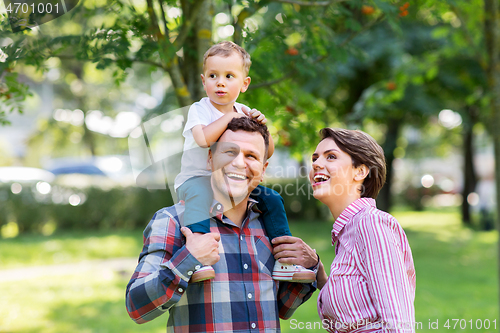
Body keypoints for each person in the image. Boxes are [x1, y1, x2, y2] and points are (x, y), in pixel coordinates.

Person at [126, 117, 319, 332]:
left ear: (263, 170)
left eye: (251, 156)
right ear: (210, 159)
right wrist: (188, 261)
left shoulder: (269, 224)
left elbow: (283, 308)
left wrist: (309, 264)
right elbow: (136, 308)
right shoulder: (173, 221)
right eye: (229, 152)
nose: (238, 163)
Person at [174, 41, 314, 283]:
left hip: (233, 182)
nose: (220, 82)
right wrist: (230, 116)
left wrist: (263, 126)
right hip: (195, 180)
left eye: (229, 76)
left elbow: (266, 151)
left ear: (244, 83)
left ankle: (284, 260)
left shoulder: (244, 110)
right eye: (213, 75)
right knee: (198, 195)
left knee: (272, 198)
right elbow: (202, 138)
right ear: (203, 80)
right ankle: (198, 257)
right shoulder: (201, 109)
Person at [310, 128, 416, 333]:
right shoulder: (348, 232)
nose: (316, 164)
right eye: (315, 158)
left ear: (360, 171)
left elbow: (398, 325)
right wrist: (321, 276)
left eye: (331, 156)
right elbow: (359, 311)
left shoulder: (371, 224)